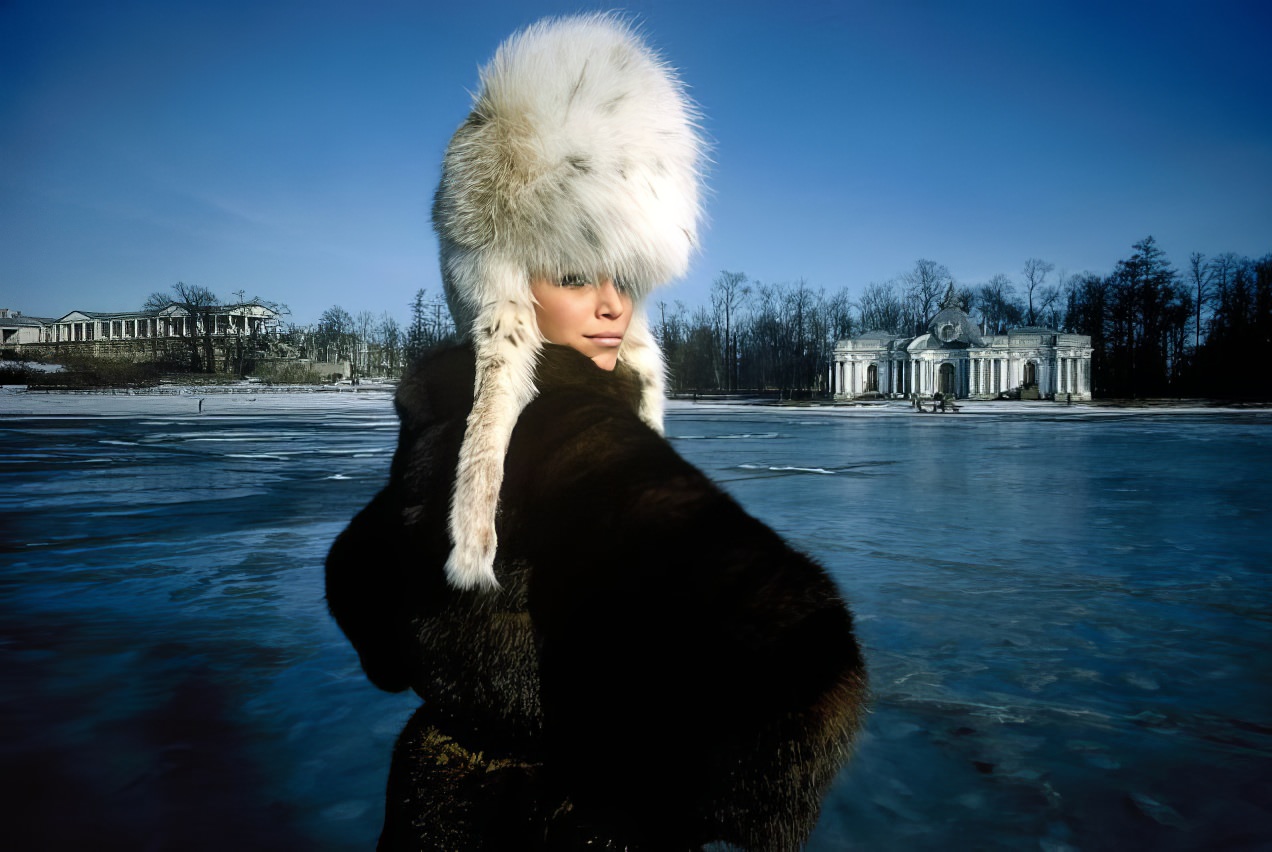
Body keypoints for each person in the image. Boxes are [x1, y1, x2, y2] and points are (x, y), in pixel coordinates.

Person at [325, 14, 868, 850]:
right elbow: (806, 668)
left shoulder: (453, 421)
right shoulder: (575, 430)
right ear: (500, 284)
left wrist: (448, 672)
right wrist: (676, 802)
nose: (613, 303)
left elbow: (358, 583)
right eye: (576, 275)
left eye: (627, 276)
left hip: (440, 810)